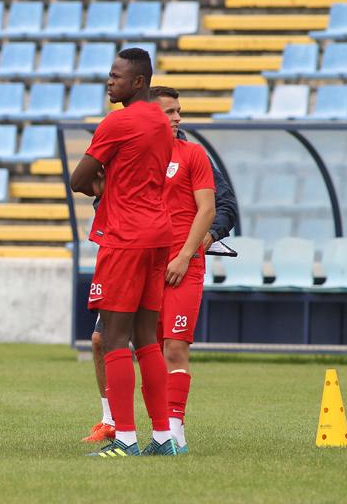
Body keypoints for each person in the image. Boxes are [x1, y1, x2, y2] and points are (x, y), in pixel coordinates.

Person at [82, 87, 238, 447]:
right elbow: (105, 199)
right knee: (103, 340)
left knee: (166, 346)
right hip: (134, 257)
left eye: (177, 111)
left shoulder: (193, 155)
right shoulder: (131, 152)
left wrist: (201, 242)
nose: (176, 118)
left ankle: (168, 431)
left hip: (179, 262)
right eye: (168, 112)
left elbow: (219, 205)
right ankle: (113, 421)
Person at [70, 48, 176, 458]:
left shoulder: (118, 121)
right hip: (157, 233)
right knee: (148, 338)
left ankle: (126, 438)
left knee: (114, 339)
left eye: (116, 76)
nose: (109, 81)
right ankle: (164, 436)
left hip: (124, 237)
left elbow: (79, 179)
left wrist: (102, 181)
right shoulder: (158, 121)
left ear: (138, 82)